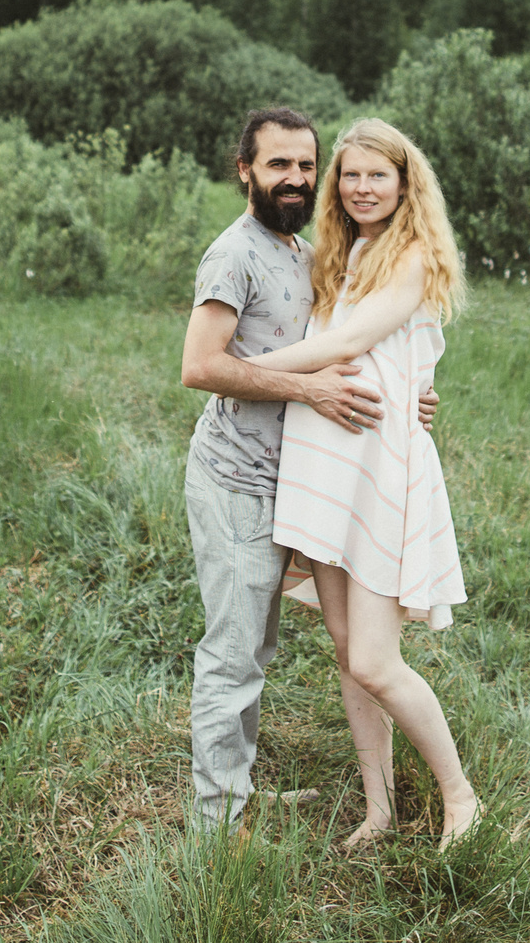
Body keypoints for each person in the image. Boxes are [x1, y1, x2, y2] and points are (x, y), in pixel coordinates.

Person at [177, 106, 437, 832]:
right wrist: (311, 386)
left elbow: (357, 339)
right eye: (276, 164)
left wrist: (408, 391)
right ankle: (216, 826)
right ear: (245, 171)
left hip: (300, 481)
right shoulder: (234, 254)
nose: (293, 178)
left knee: (257, 645)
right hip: (238, 480)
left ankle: (237, 788)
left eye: (303, 165)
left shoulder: (305, 247)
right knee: (232, 653)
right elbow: (200, 366)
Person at [237, 117, 478, 848]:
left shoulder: (410, 252)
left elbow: (344, 344)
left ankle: (462, 797)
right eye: (350, 174)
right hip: (323, 468)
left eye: (378, 174)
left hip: (375, 471)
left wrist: (238, 374)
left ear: (406, 183)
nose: (362, 186)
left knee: (375, 658)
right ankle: (380, 807)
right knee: (347, 652)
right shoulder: (344, 254)